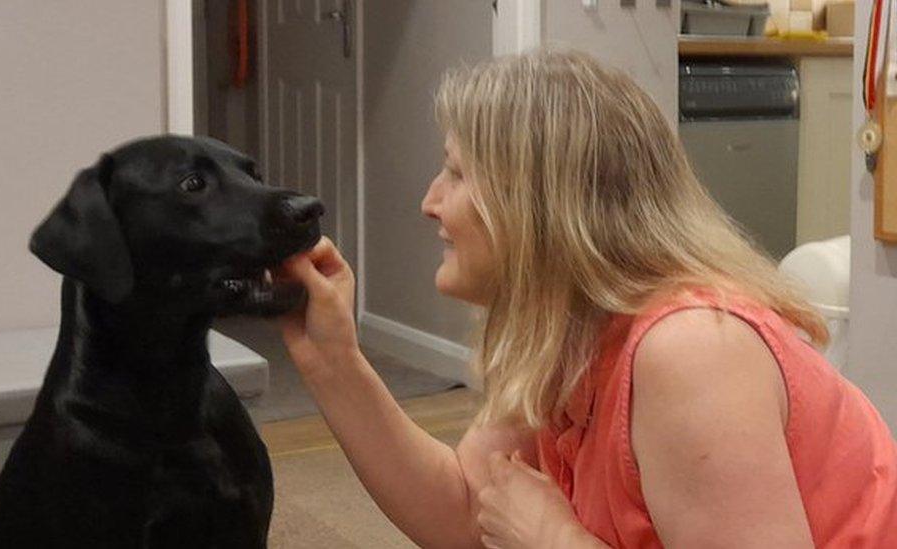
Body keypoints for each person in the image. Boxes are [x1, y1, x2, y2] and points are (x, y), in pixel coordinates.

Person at [275, 49, 897, 548]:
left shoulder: (692, 350)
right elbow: (467, 514)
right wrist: (333, 363)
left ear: (540, 201)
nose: (431, 201)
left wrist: (552, 537)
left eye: (459, 173)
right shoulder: (566, 331)